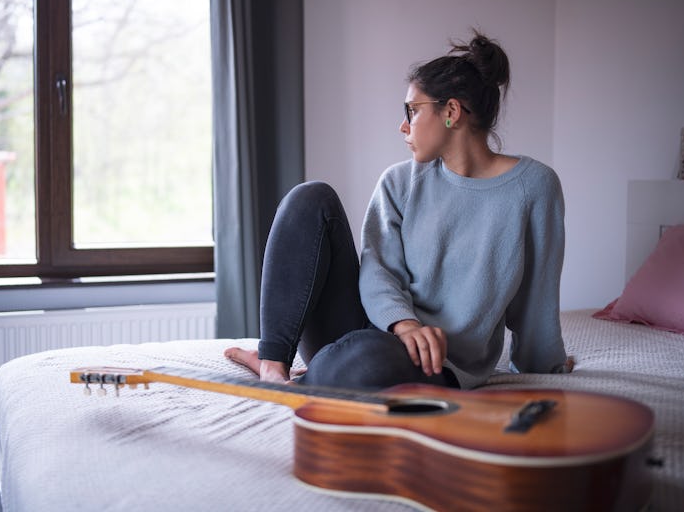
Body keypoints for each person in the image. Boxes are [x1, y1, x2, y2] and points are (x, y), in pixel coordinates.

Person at [225, 31, 572, 391]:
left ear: (451, 111)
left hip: (432, 361)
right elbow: (378, 271)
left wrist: (544, 366)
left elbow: (537, 299)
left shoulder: (534, 187)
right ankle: (273, 363)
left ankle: (325, 371)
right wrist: (405, 324)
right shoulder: (399, 182)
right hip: (373, 328)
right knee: (311, 198)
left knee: (366, 359)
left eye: (413, 110)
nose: (403, 125)